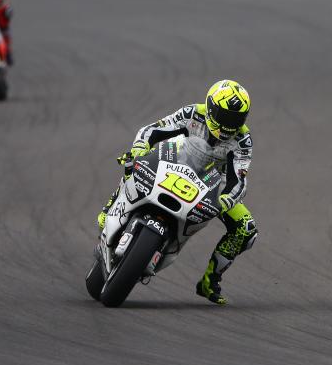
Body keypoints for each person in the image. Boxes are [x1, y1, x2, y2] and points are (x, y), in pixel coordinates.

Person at [97, 80, 257, 305]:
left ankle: (210, 280)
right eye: (224, 116)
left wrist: (226, 200)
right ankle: (110, 208)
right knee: (133, 163)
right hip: (176, 161)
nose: (229, 125)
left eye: (236, 119)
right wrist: (139, 150)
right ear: (210, 107)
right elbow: (152, 130)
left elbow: (238, 180)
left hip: (211, 185)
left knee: (246, 228)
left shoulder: (242, 140)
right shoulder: (193, 113)